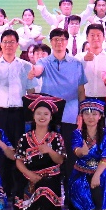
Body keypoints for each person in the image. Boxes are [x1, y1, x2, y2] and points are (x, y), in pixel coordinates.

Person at [28, 27, 86, 197]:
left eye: (62, 39)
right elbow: (38, 70)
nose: (59, 42)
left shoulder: (76, 64)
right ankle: (47, 193)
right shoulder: (44, 62)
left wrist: (81, 112)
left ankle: (70, 195)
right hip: (49, 118)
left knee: (69, 156)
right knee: (48, 155)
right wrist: (34, 72)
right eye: (55, 39)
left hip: (70, 115)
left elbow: (81, 91)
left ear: (67, 42)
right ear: (51, 42)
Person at [0, 29, 33, 194]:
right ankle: (1, 188)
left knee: (18, 150)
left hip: (19, 114)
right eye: (5, 42)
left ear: (17, 45)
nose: (9, 45)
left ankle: (17, 191)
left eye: (12, 42)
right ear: (1, 45)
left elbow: (31, 92)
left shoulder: (26, 66)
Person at [13, 93, 68, 210]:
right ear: (33, 116)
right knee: (23, 208)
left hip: (50, 178)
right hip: (29, 178)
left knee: (45, 194)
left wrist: (50, 151)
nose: (42, 117)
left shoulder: (57, 137)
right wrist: (30, 174)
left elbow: (60, 160)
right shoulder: (25, 138)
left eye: (46, 114)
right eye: (38, 113)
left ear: (51, 117)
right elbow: (18, 161)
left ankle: (42, 209)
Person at [67, 98, 106, 210]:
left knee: (101, 203)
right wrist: (82, 151)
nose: (91, 117)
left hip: (100, 172)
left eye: (94, 114)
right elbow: (76, 151)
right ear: (82, 116)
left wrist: (96, 175)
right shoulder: (77, 134)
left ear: (100, 116)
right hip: (80, 173)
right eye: (87, 114)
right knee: (82, 196)